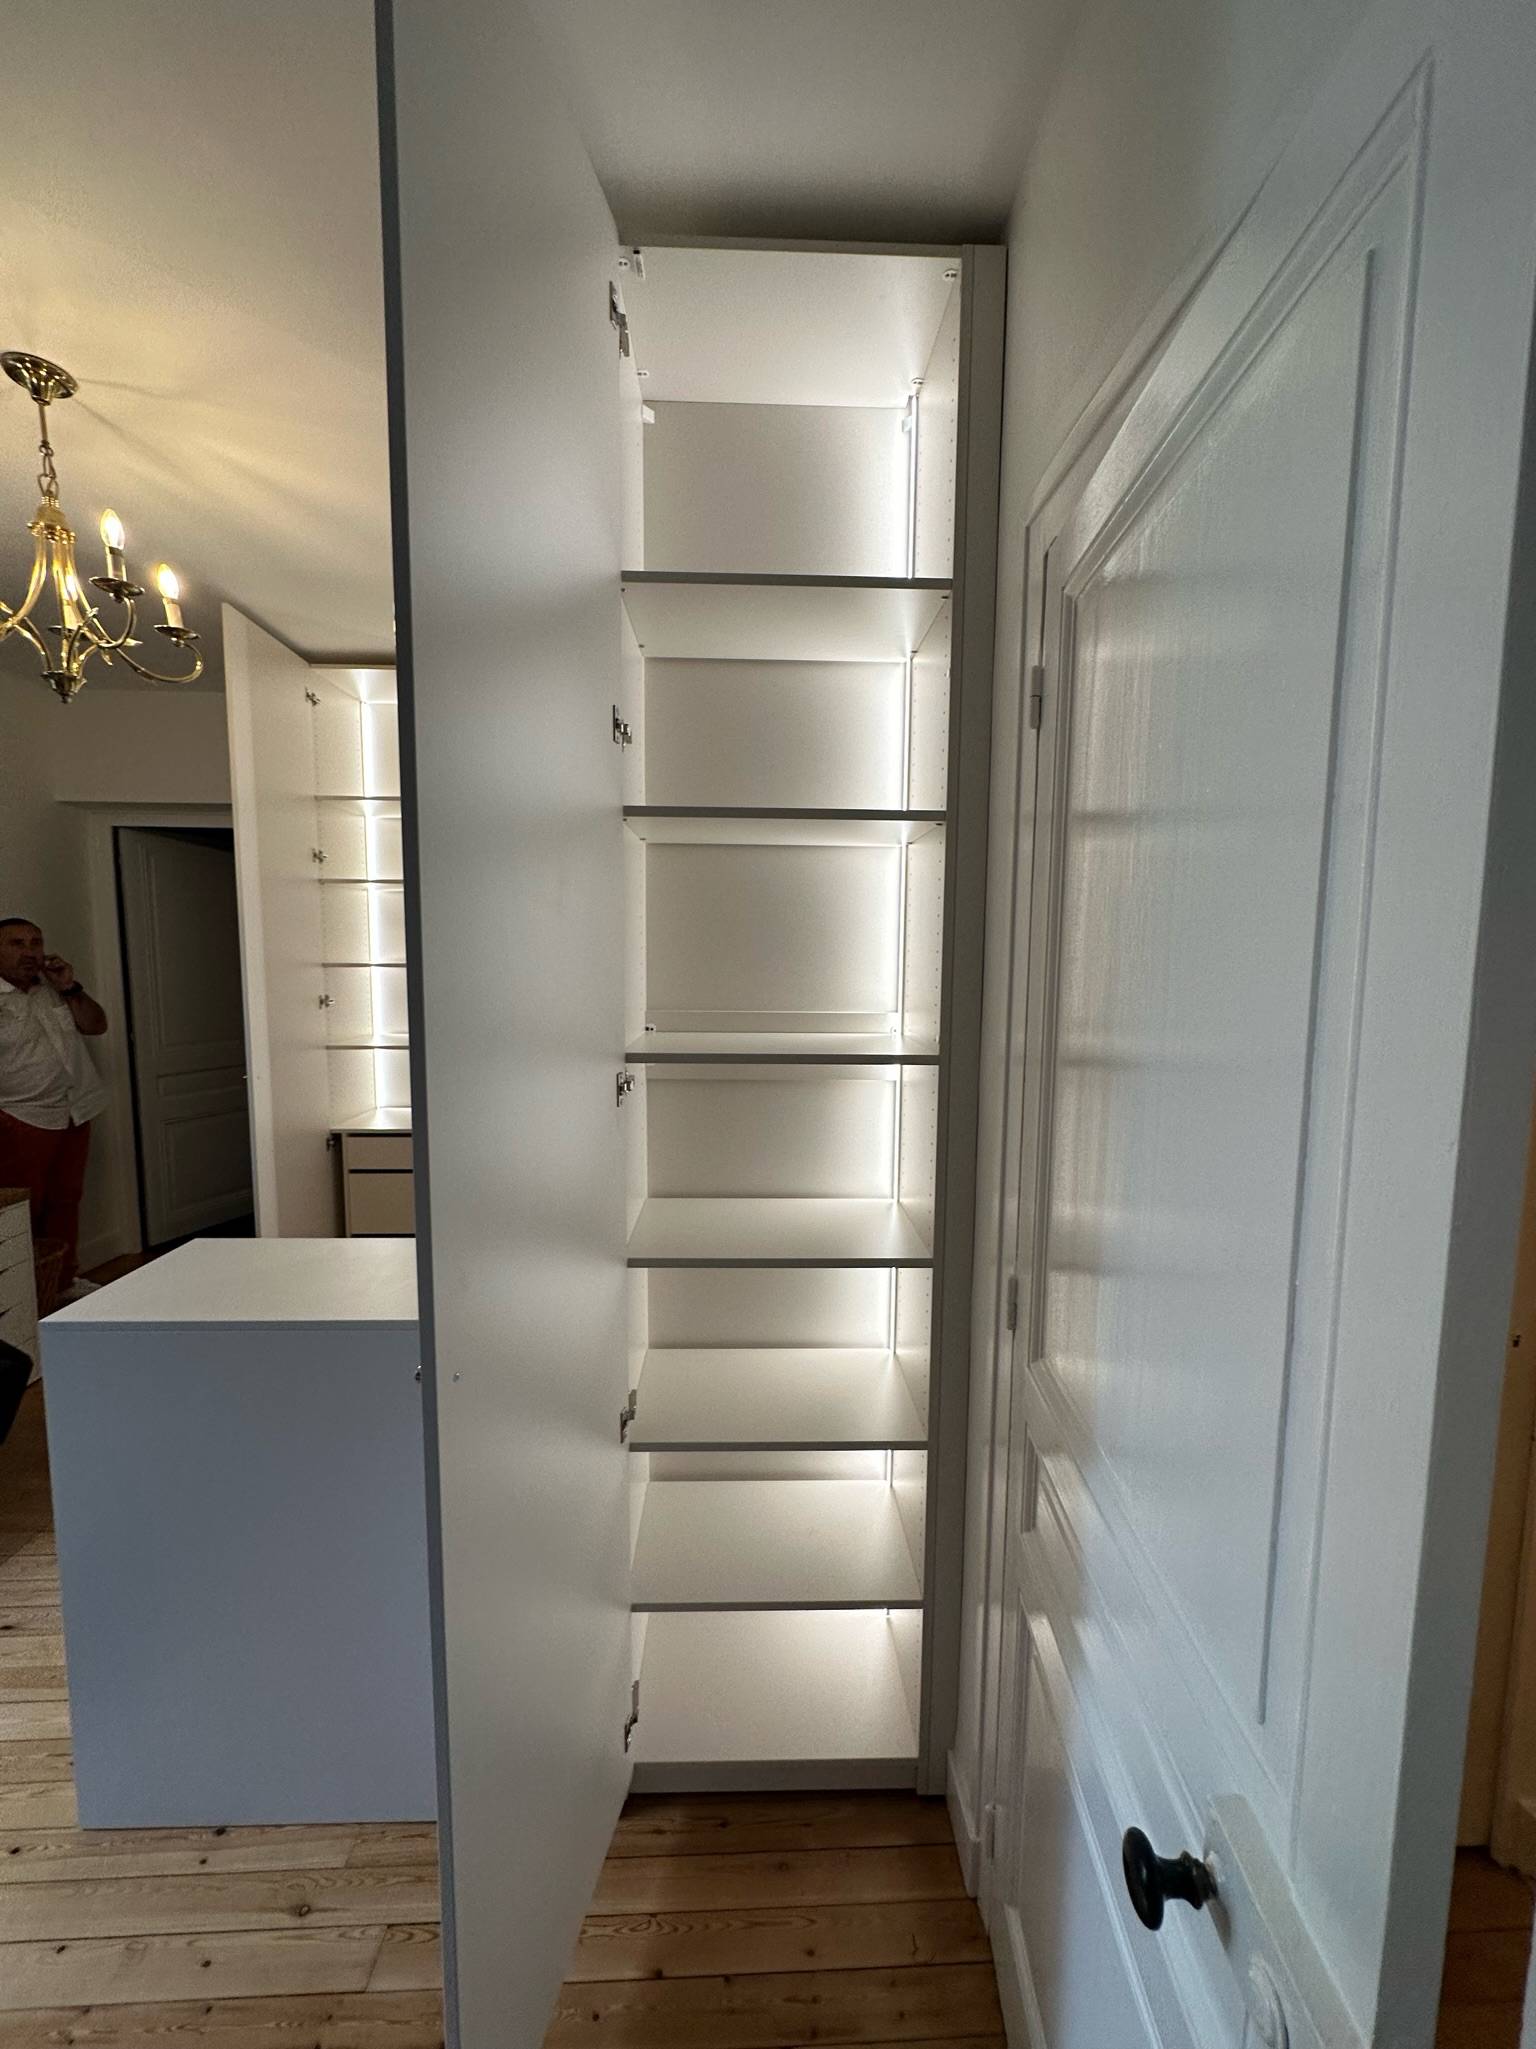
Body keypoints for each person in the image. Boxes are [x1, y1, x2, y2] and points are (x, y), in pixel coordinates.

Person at [0, 918, 108, 1293]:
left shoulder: (53, 988)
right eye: (16, 943)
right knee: (22, 1211)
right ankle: (23, 1295)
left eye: (36, 942)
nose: (30, 952)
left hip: (75, 1109)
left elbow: (96, 1025)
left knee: (66, 1201)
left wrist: (70, 988)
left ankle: (61, 1282)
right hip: (21, 1117)